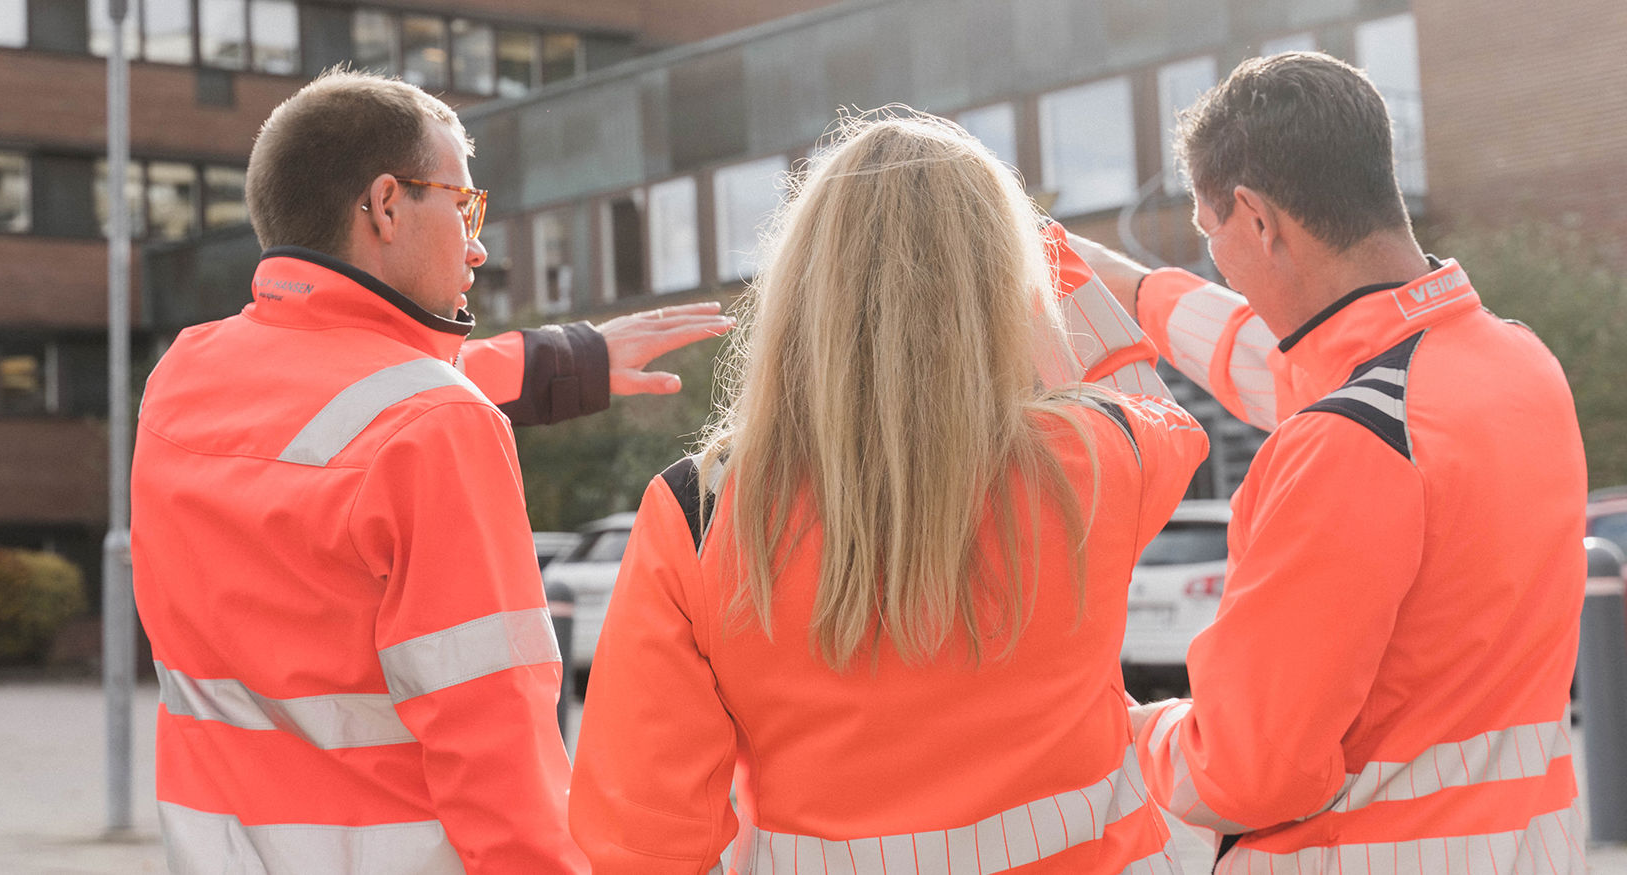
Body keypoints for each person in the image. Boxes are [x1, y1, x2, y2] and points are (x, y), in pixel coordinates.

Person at [567, 109, 1209, 875]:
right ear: (1004, 286)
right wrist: (1055, 264)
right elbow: (1159, 409)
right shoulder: (1095, 459)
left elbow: (642, 840)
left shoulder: (699, 511)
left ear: (801, 290)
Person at [131, 69, 728, 874]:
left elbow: (337, 399)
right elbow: (498, 757)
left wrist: (561, 360)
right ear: (384, 205)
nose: (479, 242)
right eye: (463, 204)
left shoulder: (184, 378)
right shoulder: (439, 429)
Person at [1067, 52, 1589, 872]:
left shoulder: (1348, 442)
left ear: (1258, 219)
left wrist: (1117, 728)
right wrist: (1123, 284)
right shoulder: (1516, 365)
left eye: (1214, 238)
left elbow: (1243, 768)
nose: (1220, 265)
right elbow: (1285, 363)